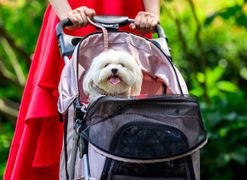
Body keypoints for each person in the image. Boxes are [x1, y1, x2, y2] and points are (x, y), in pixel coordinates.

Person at [4, 0, 160, 179]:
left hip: (130, 14)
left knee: (134, 117)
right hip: (74, 14)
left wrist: (152, 14)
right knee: (67, 110)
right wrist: (66, 14)